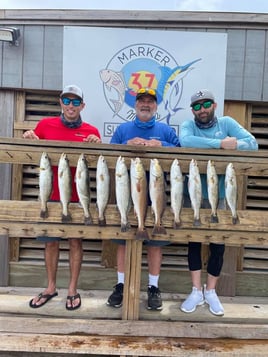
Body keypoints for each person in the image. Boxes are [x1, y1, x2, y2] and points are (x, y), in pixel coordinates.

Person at [179, 89, 258, 316]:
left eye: (205, 105)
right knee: (192, 241)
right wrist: (221, 144)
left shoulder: (227, 122)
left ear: (214, 105)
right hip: (191, 194)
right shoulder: (188, 126)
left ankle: (211, 291)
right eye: (196, 106)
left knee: (218, 244)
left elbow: (252, 144)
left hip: (222, 196)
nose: (201, 110)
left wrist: (237, 145)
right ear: (192, 110)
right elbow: (185, 142)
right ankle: (195, 290)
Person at [23, 84, 101, 310]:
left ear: (82, 106)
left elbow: (98, 165)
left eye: (76, 102)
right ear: (60, 103)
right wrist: (29, 137)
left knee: (75, 241)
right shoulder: (44, 125)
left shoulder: (91, 131)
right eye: (67, 101)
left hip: (78, 197)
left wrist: (98, 146)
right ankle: (50, 287)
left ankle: (72, 289)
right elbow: (32, 157)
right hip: (50, 196)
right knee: (50, 243)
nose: (70, 106)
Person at [107, 87, 180, 310]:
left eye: (150, 101)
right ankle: (121, 285)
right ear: (135, 104)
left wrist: (162, 145)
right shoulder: (123, 130)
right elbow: (110, 153)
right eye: (141, 101)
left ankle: (153, 288)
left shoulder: (165, 131)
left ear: (156, 106)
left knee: (155, 244)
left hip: (156, 196)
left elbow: (181, 152)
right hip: (126, 196)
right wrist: (125, 146)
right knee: (123, 242)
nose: (145, 104)